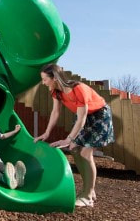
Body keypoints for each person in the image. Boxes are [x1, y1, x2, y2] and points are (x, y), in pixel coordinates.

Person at [34, 63, 115, 208]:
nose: (43, 82)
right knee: (74, 149)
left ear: (55, 78)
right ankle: (88, 189)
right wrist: (46, 133)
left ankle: (88, 196)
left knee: (85, 152)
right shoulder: (56, 92)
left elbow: (82, 117)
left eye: (45, 79)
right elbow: (55, 113)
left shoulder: (78, 89)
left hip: (99, 116)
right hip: (84, 117)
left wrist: (69, 138)